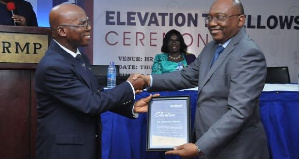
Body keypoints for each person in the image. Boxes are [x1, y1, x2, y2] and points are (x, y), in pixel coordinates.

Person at [135, 0, 269, 158]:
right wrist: (147, 80)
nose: (212, 23)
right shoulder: (211, 48)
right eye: (209, 18)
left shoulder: (249, 53)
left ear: (240, 20)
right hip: (211, 146)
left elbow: (239, 112)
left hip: (236, 150)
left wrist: (200, 147)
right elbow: (186, 76)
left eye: (220, 17)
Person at [35, 4, 156, 159]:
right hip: (64, 151)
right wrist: (129, 86)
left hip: (84, 147)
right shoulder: (53, 66)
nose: (89, 28)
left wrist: (130, 107)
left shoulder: (80, 58)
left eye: (88, 22)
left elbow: (95, 95)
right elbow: (91, 103)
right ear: (62, 31)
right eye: (82, 24)